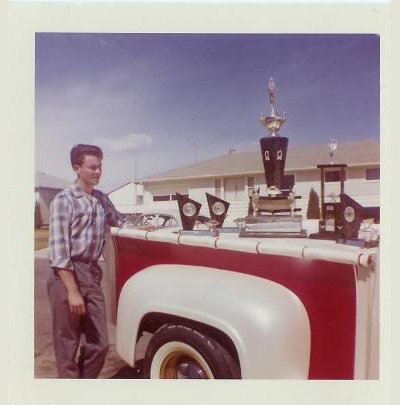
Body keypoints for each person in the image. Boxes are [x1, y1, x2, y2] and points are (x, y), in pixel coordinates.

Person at [47, 144, 129, 378]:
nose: (98, 172)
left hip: (91, 273)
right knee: (67, 343)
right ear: (77, 168)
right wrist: (72, 291)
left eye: (100, 167)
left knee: (99, 344)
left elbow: (121, 221)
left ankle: (83, 383)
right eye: (92, 167)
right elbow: (59, 252)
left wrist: (146, 226)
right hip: (66, 273)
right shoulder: (64, 200)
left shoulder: (101, 199)